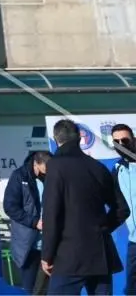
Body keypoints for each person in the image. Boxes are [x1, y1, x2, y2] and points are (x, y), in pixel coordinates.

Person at [41, 118, 130, 295]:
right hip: (100, 256)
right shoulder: (97, 167)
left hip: (68, 257)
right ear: (79, 139)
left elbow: (51, 214)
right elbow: (122, 209)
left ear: (56, 139)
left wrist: (47, 255)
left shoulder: (56, 166)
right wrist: (103, 228)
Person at [3, 151, 51, 293]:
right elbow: (10, 207)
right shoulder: (19, 176)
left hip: (49, 244)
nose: (48, 172)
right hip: (27, 245)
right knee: (29, 288)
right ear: (36, 164)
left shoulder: (52, 177)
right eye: (45, 168)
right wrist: (34, 222)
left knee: (48, 289)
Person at [111, 123, 136, 295]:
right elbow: (117, 206)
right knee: (132, 288)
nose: (121, 145)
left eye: (125, 140)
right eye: (117, 142)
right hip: (134, 241)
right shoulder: (117, 169)